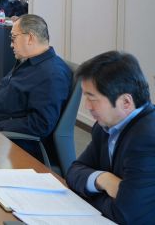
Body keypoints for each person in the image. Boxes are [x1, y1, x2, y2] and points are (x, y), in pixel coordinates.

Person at [66, 51, 155, 224]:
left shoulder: (147, 140)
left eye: (93, 98)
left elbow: (125, 215)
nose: (87, 106)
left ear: (126, 102)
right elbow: (74, 170)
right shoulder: (104, 126)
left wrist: (87, 193)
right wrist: (102, 179)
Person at [0, 14, 72, 160]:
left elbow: (39, 124)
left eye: (13, 38)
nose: (11, 44)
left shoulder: (52, 74)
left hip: (12, 144)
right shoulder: (28, 62)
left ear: (30, 38)